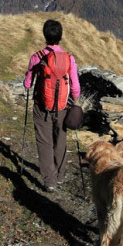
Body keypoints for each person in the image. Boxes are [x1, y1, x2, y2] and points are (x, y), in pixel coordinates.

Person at [23, 18, 81, 191]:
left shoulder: (37, 57)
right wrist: (73, 101)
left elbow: (27, 83)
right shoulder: (69, 59)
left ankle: (50, 181)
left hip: (41, 105)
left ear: (44, 36)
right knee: (60, 139)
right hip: (63, 106)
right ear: (60, 36)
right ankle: (61, 175)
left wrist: (29, 82)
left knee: (44, 142)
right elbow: (76, 87)